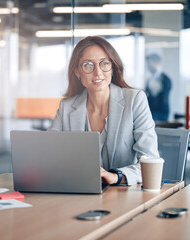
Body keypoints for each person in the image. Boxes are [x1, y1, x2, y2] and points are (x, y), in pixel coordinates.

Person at [50, 36, 159, 186]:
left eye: (104, 63)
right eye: (88, 65)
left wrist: (116, 176)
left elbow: (150, 161)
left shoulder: (135, 100)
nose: (98, 73)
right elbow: (49, 156)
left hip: (125, 194)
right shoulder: (66, 107)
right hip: (80, 192)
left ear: (112, 67)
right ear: (77, 72)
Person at [145, 53, 172, 122]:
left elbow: (163, 97)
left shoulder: (166, 79)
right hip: (150, 113)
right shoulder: (149, 79)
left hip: (161, 114)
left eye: (149, 64)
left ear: (156, 62)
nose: (147, 66)